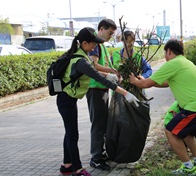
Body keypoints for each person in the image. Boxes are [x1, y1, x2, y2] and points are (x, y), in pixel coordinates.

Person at [129, 39, 196, 175]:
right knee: (186, 133)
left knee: (171, 131)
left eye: (165, 53)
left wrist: (135, 81)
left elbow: (146, 84)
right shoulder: (186, 63)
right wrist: (144, 81)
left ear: (169, 51)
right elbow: (165, 83)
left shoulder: (173, 63)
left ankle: (188, 167)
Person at [57, 27, 138, 176]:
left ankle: (66, 165)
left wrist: (108, 75)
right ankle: (77, 169)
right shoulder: (81, 60)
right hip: (66, 100)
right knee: (73, 135)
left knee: (69, 133)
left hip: (67, 99)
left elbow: (93, 72)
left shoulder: (80, 56)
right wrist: (125, 93)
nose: (95, 46)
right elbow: (96, 76)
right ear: (85, 43)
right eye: (93, 43)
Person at [86, 18, 118, 171]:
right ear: (101, 29)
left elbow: (104, 65)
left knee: (103, 123)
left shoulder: (102, 46)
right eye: (110, 33)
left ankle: (101, 153)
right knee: (98, 125)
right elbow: (93, 66)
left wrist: (113, 71)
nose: (110, 36)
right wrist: (110, 73)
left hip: (102, 88)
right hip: (95, 89)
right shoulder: (95, 45)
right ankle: (96, 158)